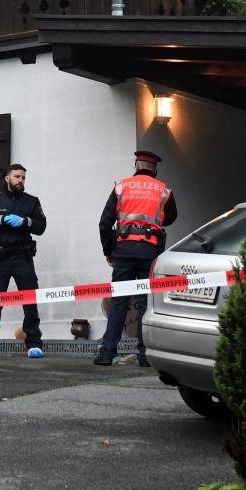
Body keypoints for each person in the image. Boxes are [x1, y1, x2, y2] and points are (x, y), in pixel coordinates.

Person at [95, 149, 177, 367]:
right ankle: (144, 355)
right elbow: (170, 218)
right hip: (149, 253)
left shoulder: (121, 186)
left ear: (136, 166)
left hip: (123, 252)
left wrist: (109, 251)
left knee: (119, 302)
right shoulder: (163, 189)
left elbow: (104, 223)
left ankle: (107, 353)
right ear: (155, 169)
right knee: (144, 304)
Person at [0, 163, 47, 359]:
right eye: (17, 177)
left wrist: (25, 221)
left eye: (23, 177)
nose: (20, 180)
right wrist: (1, 220)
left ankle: (33, 344)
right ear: (7, 178)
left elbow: (41, 226)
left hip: (23, 258)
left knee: (30, 301)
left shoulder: (31, 202)